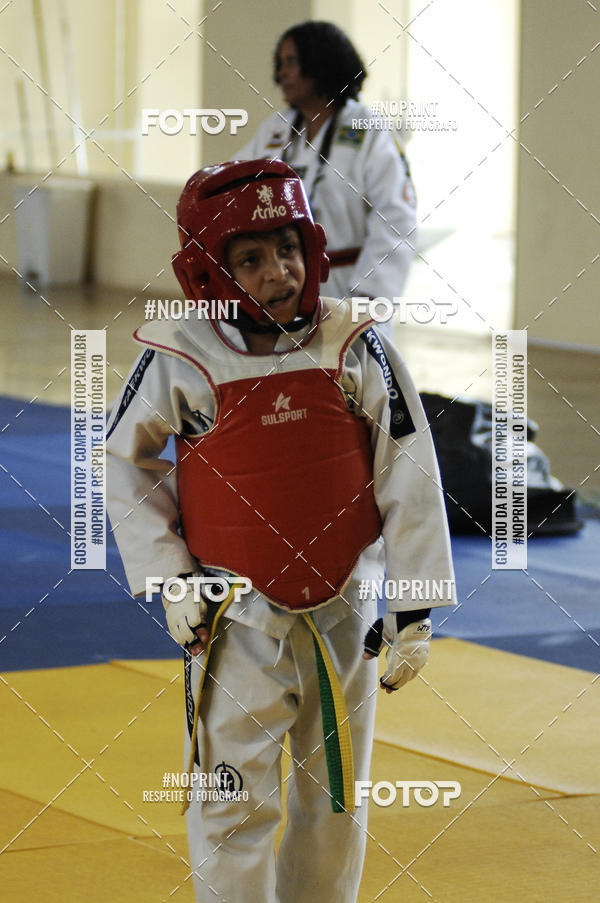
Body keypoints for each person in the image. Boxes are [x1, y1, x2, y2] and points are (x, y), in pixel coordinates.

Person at [105, 159, 455, 903]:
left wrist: (414, 607)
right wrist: (170, 577)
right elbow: (125, 462)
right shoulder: (180, 355)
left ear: (313, 246)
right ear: (207, 270)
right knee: (234, 801)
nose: (279, 272)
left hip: (345, 612)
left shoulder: (353, 341)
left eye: (288, 247)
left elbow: (409, 468)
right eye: (251, 258)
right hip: (237, 619)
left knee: (335, 800)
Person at [237, 20, 417, 312]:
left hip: (350, 283)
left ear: (321, 63)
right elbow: (234, 181)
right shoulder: (276, 130)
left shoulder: (368, 131)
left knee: (351, 357)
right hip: (284, 286)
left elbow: (395, 218)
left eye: (292, 62)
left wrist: (369, 296)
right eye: (280, 63)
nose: (282, 73)